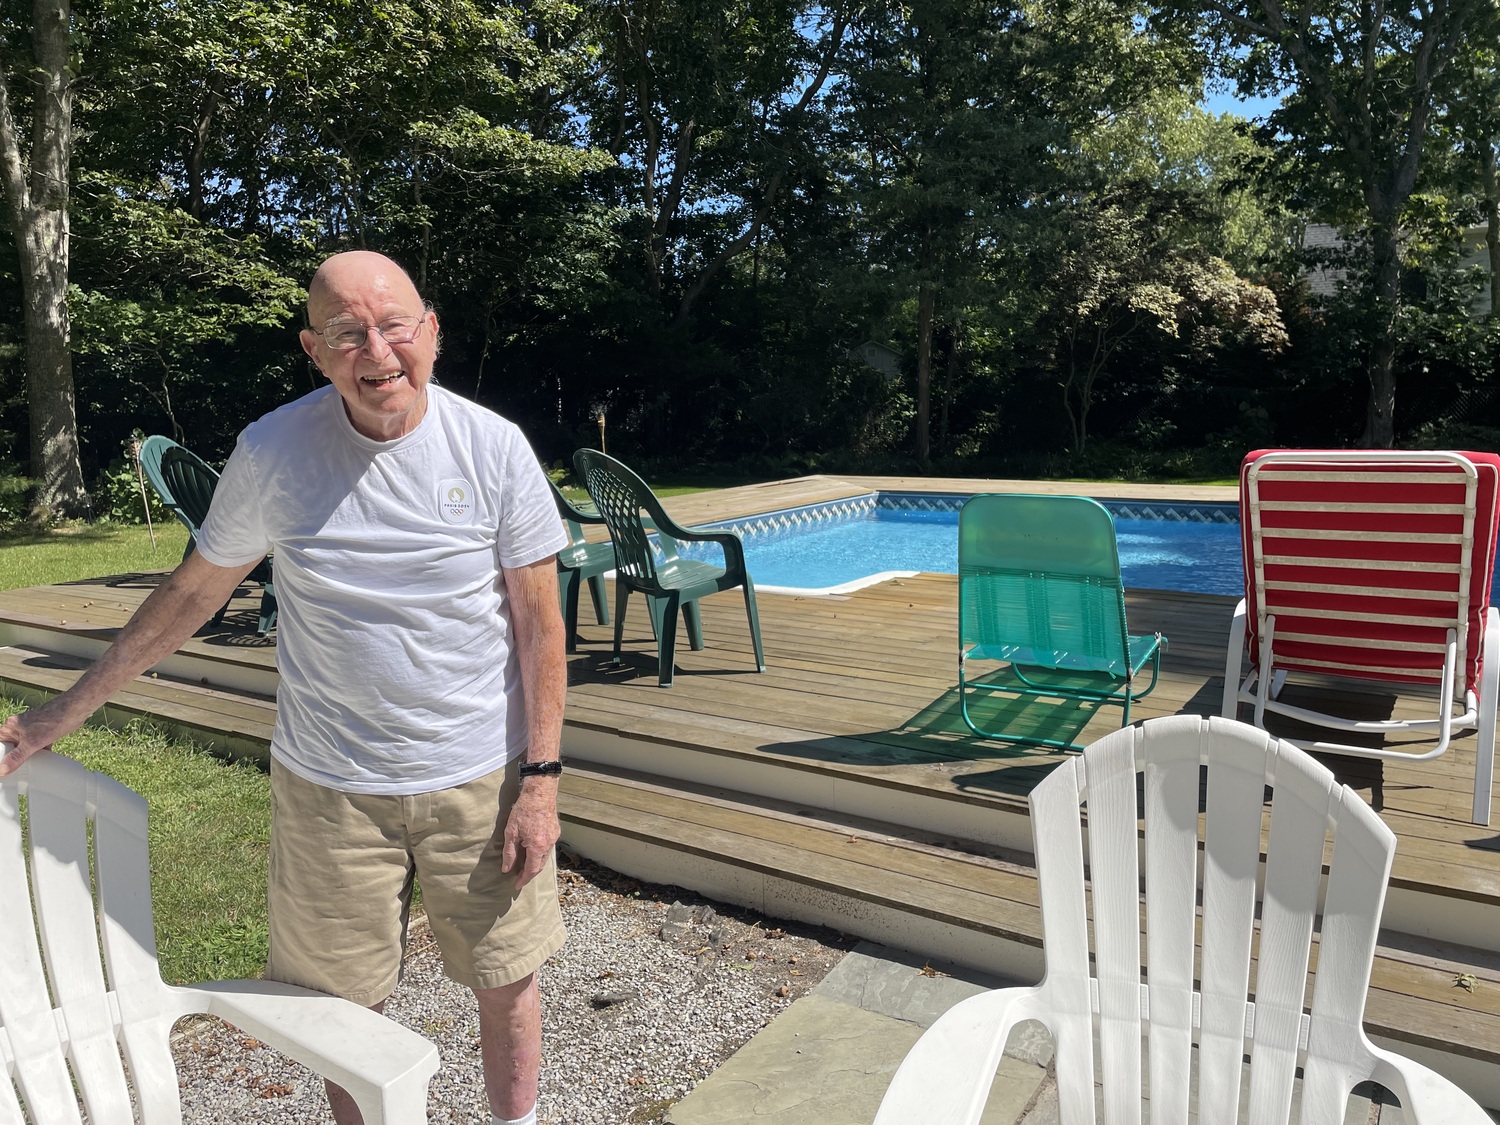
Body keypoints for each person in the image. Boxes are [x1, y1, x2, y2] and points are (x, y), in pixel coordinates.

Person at [0, 251, 569, 1125]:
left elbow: (540, 625)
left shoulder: (492, 449)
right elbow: (192, 593)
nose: (377, 350)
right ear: (315, 349)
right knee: (338, 1018)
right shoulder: (273, 450)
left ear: (433, 333)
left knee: (506, 983)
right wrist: (60, 711)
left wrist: (541, 781)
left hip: (480, 779)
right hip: (329, 793)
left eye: (395, 326)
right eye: (348, 333)